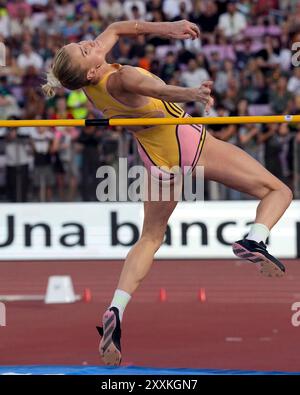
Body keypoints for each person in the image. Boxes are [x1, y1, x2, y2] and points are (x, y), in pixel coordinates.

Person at [42, 20, 293, 366]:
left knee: (150, 237)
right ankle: (255, 239)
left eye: (83, 43)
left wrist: (169, 29)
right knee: (277, 190)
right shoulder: (120, 78)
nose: (88, 42)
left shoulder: (89, 81)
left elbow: (116, 27)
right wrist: (194, 95)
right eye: (84, 50)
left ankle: (116, 307)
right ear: (90, 70)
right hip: (187, 142)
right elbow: (159, 91)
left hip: (155, 158)